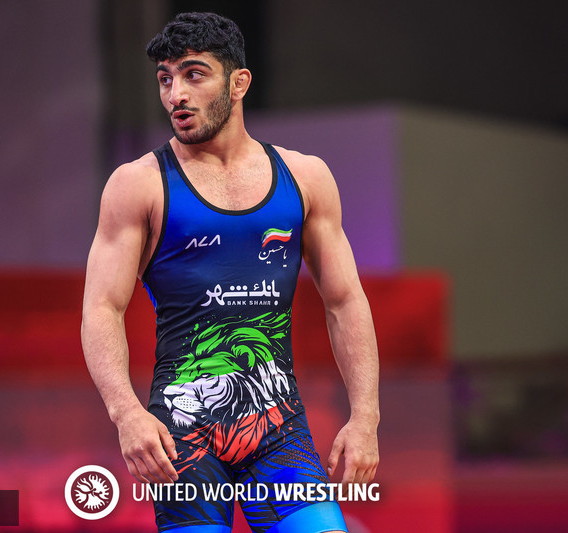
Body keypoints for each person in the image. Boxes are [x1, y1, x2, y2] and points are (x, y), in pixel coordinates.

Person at [81, 11, 379, 533]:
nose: (176, 94)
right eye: (165, 79)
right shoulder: (139, 184)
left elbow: (345, 301)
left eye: (194, 75)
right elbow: (102, 308)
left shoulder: (304, 178)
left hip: (278, 428)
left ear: (239, 83)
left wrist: (366, 417)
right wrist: (126, 413)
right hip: (183, 436)